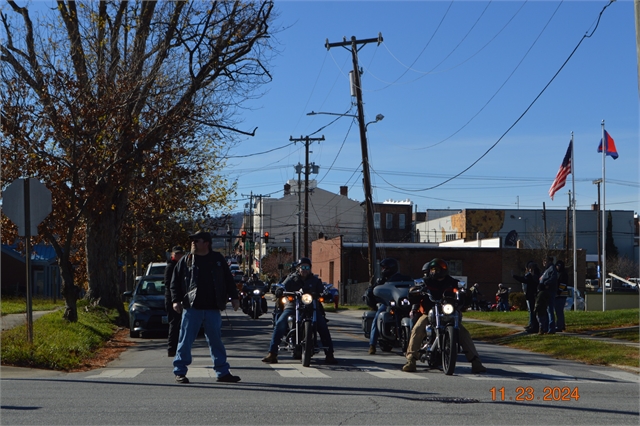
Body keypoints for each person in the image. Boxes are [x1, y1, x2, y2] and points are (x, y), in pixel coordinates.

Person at [170, 231, 241, 384]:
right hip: (192, 308)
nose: (193, 243)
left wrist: (234, 298)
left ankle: (222, 372)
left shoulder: (217, 259)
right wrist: (175, 300)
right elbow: (174, 282)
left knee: (216, 341)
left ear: (206, 243)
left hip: (213, 308)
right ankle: (180, 371)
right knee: (185, 340)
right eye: (192, 241)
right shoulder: (186, 260)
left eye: (197, 240)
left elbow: (228, 279)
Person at [402, 258, 486, 374]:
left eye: (437, 269)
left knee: (463, 333)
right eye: (432, 269)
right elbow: (414, 292)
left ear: (444, 269)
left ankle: (476, 362)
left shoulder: (452, 282)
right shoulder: (426, 282)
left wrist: (465, 293)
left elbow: (463, 292)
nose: (434, 272)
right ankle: (411, 360)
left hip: (449, 313)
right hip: (430, 312)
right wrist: (414, 291)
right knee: (417, 328)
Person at [261, 257, 337, 365]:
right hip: (293, 306)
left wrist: (326, 293)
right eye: (302, 267)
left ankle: (329, 354)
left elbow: (322, 289)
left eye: (307, 267)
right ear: (298, 268)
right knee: (280, 323)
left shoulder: (315, 280)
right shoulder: (292, 278)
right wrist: (280, 290)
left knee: (322, 325)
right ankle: (272, 353)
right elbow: (283, 286)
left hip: (312, 307)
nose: (304, 269)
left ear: (310, 269)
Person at [367, 258, 412, 355]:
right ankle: (372, 345)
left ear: (392, 268)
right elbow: (374, 289)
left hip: (401, 303)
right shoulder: (381, 281)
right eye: (383, 268)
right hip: (388, 303)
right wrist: (371, 290)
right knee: (377, 317)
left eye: (386, 268)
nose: (383, 270)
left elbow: (410, 286)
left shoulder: (403, 278)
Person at [164, 245, 185, 357]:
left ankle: (179, 348)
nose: (179, 255)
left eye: (180, 254)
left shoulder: (182, 266)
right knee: (174, 323)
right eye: (176, 254)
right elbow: (168, 284)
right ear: (172, 255)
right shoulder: (170, 267)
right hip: (172, 299)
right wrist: (174, 299)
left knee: (181, 324)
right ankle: (172, 349)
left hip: (181, 299)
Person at [512, 261, 541, 333]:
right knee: (531, 311)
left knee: (533, 311)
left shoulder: (533, 275)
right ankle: (532, 325)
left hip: (532, 294)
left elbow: (525, 280)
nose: (529, 269)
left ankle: (534, 326)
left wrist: (515, 276)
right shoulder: (533, 274)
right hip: (531, 294)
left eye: (530, 267)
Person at [540, 256, 558, 334]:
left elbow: (553, 278)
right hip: (545, 292)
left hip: (550, 291)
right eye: (543, 261)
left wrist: (545, 283)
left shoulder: (552, 268)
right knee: (547, 310)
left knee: (550, 310)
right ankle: (546, 328)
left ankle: (551, 328)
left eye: (545, 261)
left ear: (550, 261)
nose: (544, 262)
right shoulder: (546, 270)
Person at [555, 260, 569, 332]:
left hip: (561, 295)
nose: (557, 267)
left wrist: (559, 291)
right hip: (558, 295)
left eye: (559, 266)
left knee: (559, 311)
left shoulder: (563, 274)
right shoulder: (557, 273)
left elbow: (563, 284)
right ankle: (561, 325)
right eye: (557, 265)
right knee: (558, 311)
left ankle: (560, 326)